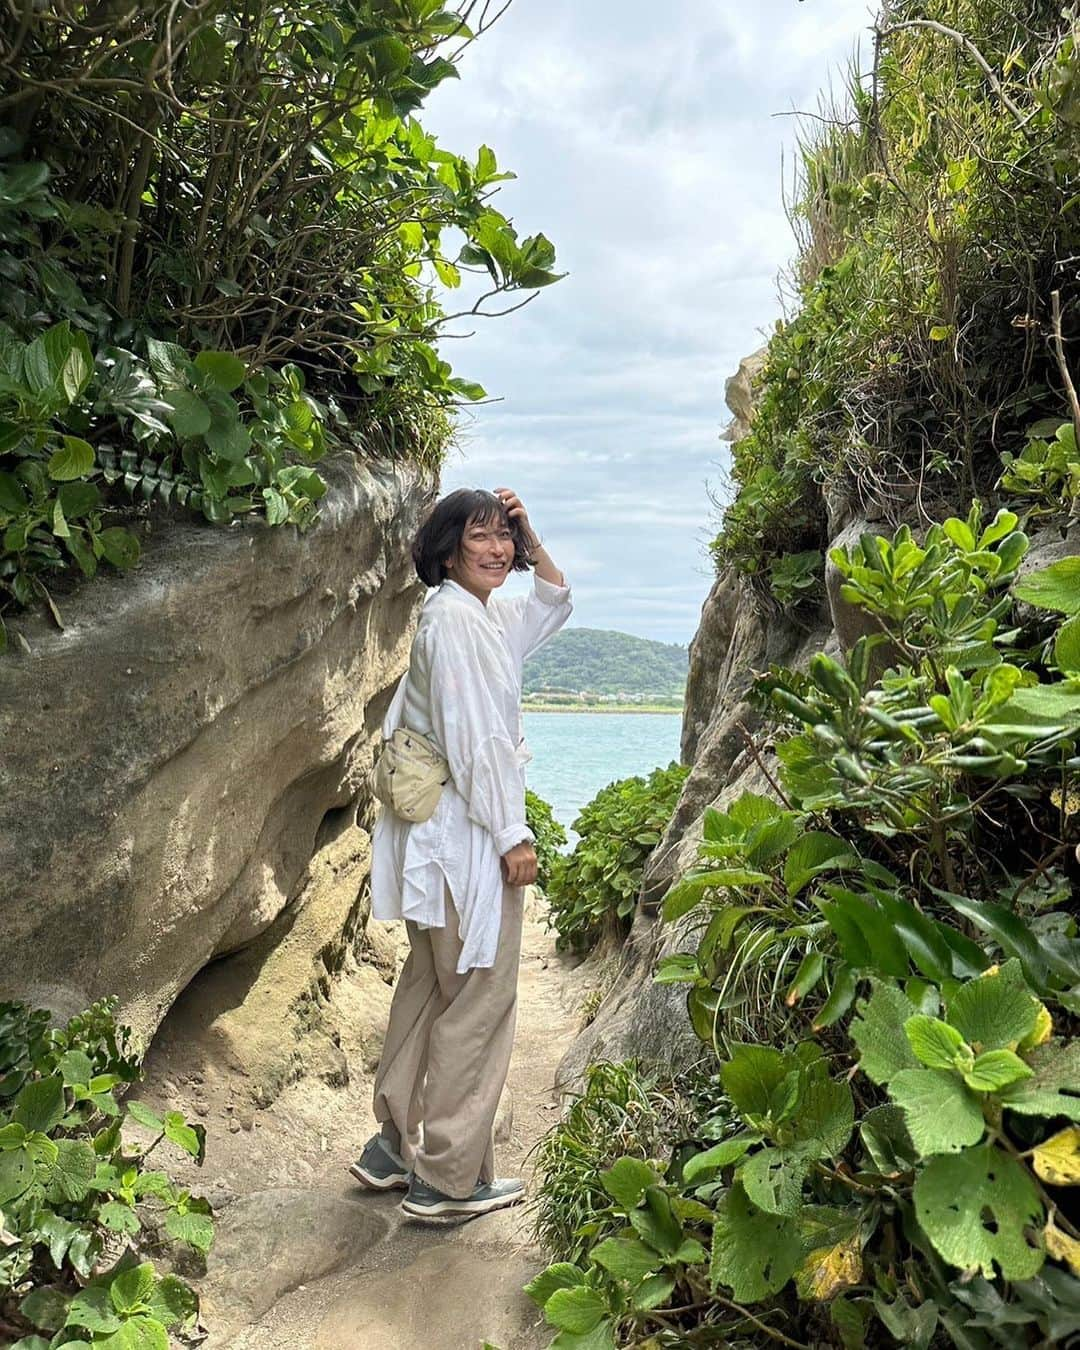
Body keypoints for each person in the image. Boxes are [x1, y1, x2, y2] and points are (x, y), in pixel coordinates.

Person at [351, 486, 572, 1219]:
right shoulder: (460, 625)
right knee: (479, 998)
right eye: (481, 536)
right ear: (447, 549)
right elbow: (479, 743)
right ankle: (447, 1177)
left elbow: (553, 598)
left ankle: (391, 1148)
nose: (499, 549)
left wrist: (529, 528)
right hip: (462, 842)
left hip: (431, 844)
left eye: (503, 537)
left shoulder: (468, 615)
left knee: (431, 988)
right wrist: (515, 836)